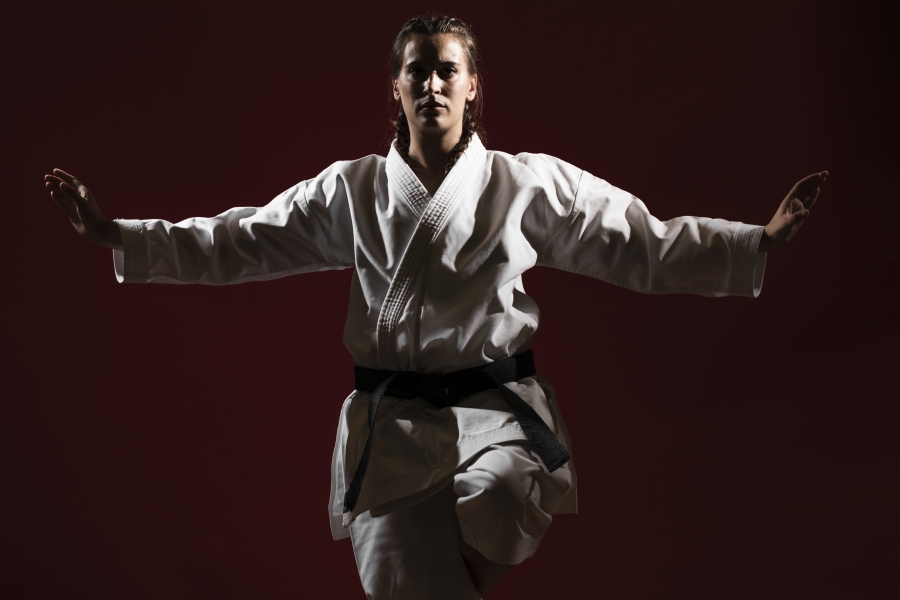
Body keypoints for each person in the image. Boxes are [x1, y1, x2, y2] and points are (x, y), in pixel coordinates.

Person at [44, 14, 827, 600]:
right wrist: (121, 234)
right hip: (393, 425)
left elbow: (635, 239)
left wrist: (755, 241)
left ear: (473, 84)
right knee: (397, 586)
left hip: (495, 413)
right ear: (395, 86)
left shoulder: (524, 186)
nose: (432, 86)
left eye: (447, 71)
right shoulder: (352, 191)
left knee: (498, 497)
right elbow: (239, 240)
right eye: (417, 72)